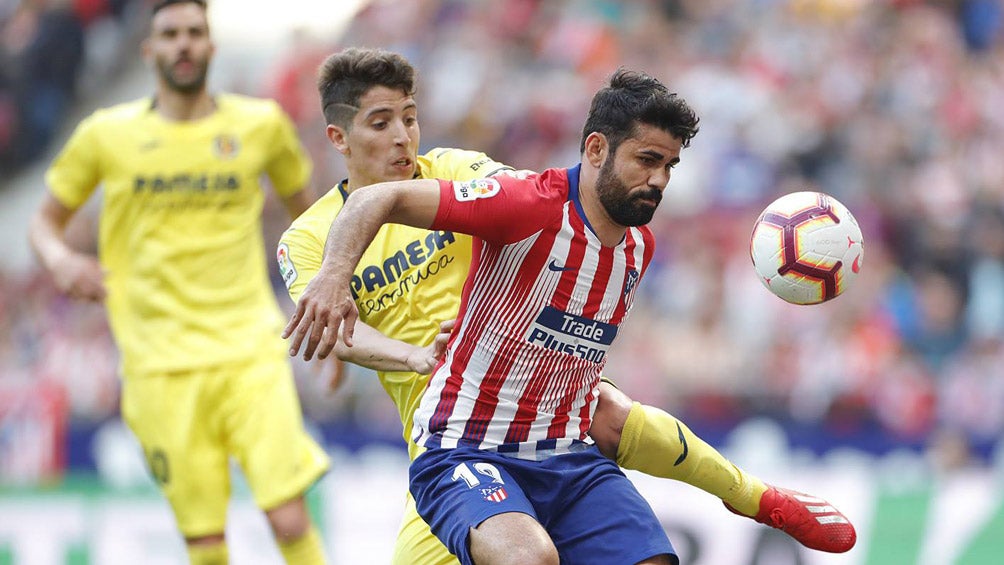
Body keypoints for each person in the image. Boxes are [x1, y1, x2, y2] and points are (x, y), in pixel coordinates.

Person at [282, 51, 855, 563]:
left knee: (603, 408)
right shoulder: (309, 238)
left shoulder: (461, 170)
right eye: (382, 124)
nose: (404, 136)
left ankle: (757, 498)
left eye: (410, 117)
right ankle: (755, 497)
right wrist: (409, 353)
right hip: (450, 420)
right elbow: (330, 326)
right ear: (339, 138)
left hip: (539, 397)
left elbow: (543, 204)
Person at [27, 1, 333, 563]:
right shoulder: (105, 135)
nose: (184, 44)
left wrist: (331, 304)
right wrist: (61, 261)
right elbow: (44, 222)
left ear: (212, 47)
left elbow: (308, 218)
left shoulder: (260, 125)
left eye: (195, 32)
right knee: (204, 537)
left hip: (248, 345)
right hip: (157, 363)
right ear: (149, 50)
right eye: (170, 34)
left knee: (288, 512)